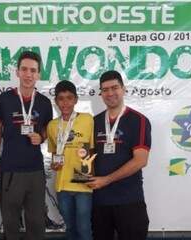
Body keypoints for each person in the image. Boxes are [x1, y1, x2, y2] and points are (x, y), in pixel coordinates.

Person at [0, 51, 53, 240]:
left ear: (39, 75)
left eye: (33, 70)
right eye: (24, 69)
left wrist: (41, 138)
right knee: (10, 224)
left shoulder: (44, 103)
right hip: (10, 170)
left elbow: (46, 131)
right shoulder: (4, 100)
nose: (28, 74)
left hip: (35, 171)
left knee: (36, 223)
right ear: (17, 72)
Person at [86, 70, 151, 240]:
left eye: (114, 87)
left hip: (129, 201)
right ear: (101, 94)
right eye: (105, 89)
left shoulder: (139, 120)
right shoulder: (94, 122)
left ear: (123, 89)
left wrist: (106, 180)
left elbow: (140, 161)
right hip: (100, 203)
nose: (110, 93)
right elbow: (85, 156)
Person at [47, 80, 94, 240]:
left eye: (69, 98)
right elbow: (54, 153)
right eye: (61, 98)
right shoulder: (52, 125)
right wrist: (54, 163)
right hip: (62, 185)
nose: (65, 102)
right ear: (56, 101)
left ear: (76, 100)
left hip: (82, 182)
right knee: (70, 228)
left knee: (84, 228)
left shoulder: (87, 119)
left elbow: (93, 150)